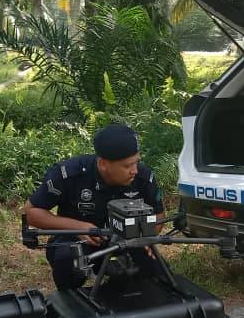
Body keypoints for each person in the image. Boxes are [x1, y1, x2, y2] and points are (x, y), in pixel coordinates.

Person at [24, 124, 166, 290]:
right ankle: (71, 303)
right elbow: (31, 212)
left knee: (159, 276)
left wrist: (143, 235)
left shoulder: (143, 177)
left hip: (129, 241)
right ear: (103, 164)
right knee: (66, 258)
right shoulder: (71, 173)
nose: (134, 171)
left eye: (136, 162)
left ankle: (126, 297)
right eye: (127, 166)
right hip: (77, 240)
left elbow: (159, 216)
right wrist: (79, 228)